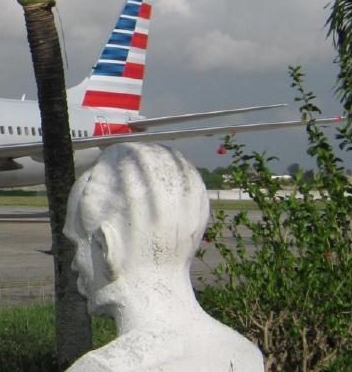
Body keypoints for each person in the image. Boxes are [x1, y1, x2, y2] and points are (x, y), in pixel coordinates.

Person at [64, 143, 264, 371]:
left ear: (107, 248)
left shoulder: (100, 367)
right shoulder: (244, 352)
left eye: (76, 246)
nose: (74, 265)